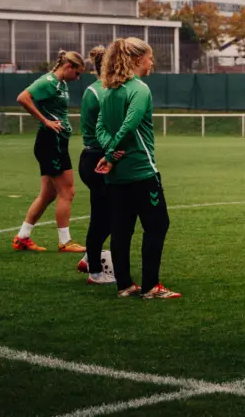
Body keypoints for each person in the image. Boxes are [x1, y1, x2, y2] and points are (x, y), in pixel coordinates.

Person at [95, 37, 180, 299]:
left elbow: (100, 127)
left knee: (121, 230)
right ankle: (151, 286)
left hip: (116, 177)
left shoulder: (108, 91)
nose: (152, 63)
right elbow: (130, 125)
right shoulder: (139, 89)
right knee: (158, 224)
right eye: (150, 58)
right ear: (138, 59)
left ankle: (124, 285)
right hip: (141, 171)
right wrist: (111, 153)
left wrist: (110, 152)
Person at [13, 50, 87, 254]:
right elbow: (23, 97)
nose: (77, 78)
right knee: (67, 192)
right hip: (50, 142)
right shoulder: (48, 82)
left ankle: (22, 237)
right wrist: (45, 121)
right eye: (77, 73)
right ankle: (65, 242)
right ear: (68, 66)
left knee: (48, 194)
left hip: (57, 142)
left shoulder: (61, 84)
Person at [77, 46, 115, 285]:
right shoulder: (100, 91)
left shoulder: (99, 89)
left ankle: (89, 258)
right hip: (97, 159)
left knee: (108, 216)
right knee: (107, 217)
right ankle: (95, 271)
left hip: (97, 157)